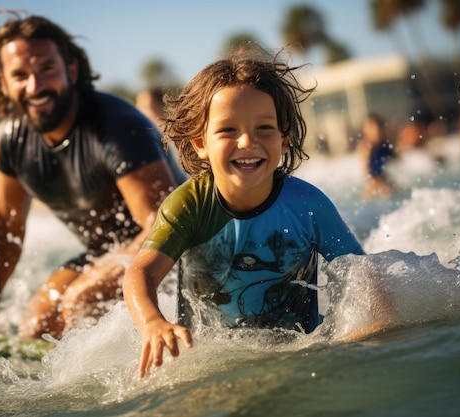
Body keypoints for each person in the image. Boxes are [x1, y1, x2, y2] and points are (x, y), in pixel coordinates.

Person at [122, 46, 391, 378]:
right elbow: (140, 274)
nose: (247, 142)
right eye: (228, 130)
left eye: (264, 128)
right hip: (208, 364)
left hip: (299, 359)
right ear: (199, 142)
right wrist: (152, 322)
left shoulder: (307, 206)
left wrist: (375, 327)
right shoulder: (189, 206)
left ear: (285, 135)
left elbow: (362, 275)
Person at [0, 11, 182, 339]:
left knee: (79, 301)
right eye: (20, 74)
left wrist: (89, 287)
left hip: (180, 249)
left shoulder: (116, 126)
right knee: (36, 327)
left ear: (71, 69)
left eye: (46, 69)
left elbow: (162, 225)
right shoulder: (11, 139)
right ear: (4, 80)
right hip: (106, 252)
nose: (35, 86)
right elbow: (5, 224)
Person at [357, 113, 395, 200]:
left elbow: (397, 160)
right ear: (365, 131)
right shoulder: (366, 146)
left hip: (385, 179)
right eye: (371, 128)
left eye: (377, 127)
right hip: (373, 183)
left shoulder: (384, 144)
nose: (376, 131)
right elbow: (365, 171)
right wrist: (373, 183)